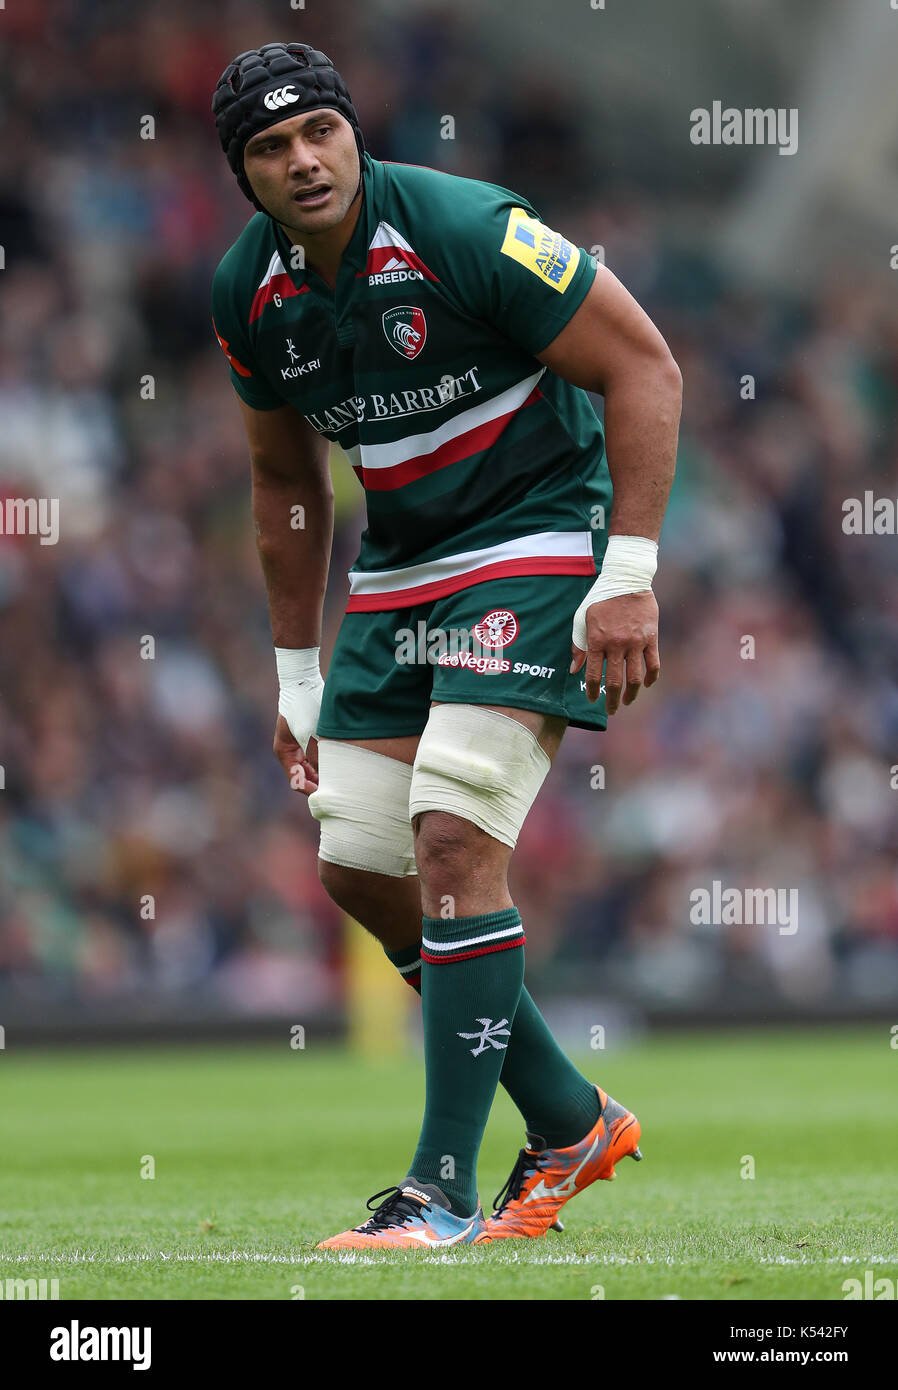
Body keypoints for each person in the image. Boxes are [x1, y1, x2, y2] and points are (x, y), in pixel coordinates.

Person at [211, 41, 681, 1249]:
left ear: (355, 135)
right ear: (244, 175)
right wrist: (296, 676)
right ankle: (570, 1120)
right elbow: (287, 485)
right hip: (401, 565)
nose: (303, 160)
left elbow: (643, 366)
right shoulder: (244, 295)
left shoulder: (468, 226)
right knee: (360, 865)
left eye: (319, 130)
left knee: (453, 837)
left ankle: (439, 1190)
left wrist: (627, 574)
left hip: (534, 533)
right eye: (270, 148)